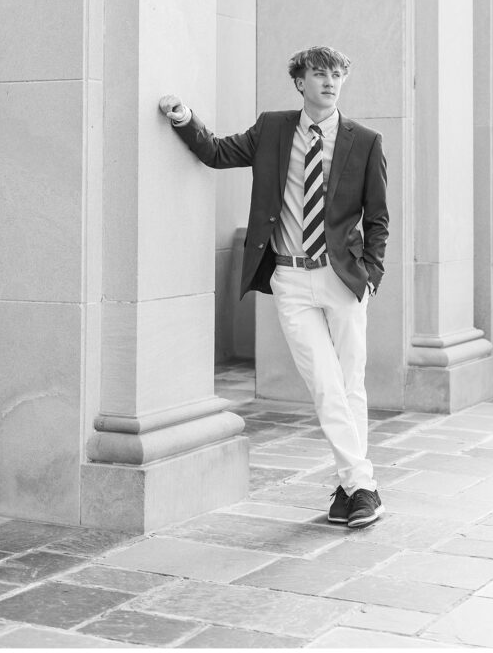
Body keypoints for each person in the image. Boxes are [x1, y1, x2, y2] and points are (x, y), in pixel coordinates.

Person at [159, 45, 389, 528]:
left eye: (336, 75)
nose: (329, 82)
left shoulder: (364, 141)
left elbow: (378, 217)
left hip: (342, 279)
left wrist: (370, 275)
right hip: (288, 276)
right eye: (318, 74)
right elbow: (219, 152)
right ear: (299, 82)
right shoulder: (273, 128)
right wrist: (184, 119)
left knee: (350, 386)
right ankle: (362, 485)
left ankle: (352, 487)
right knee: (326, 386)